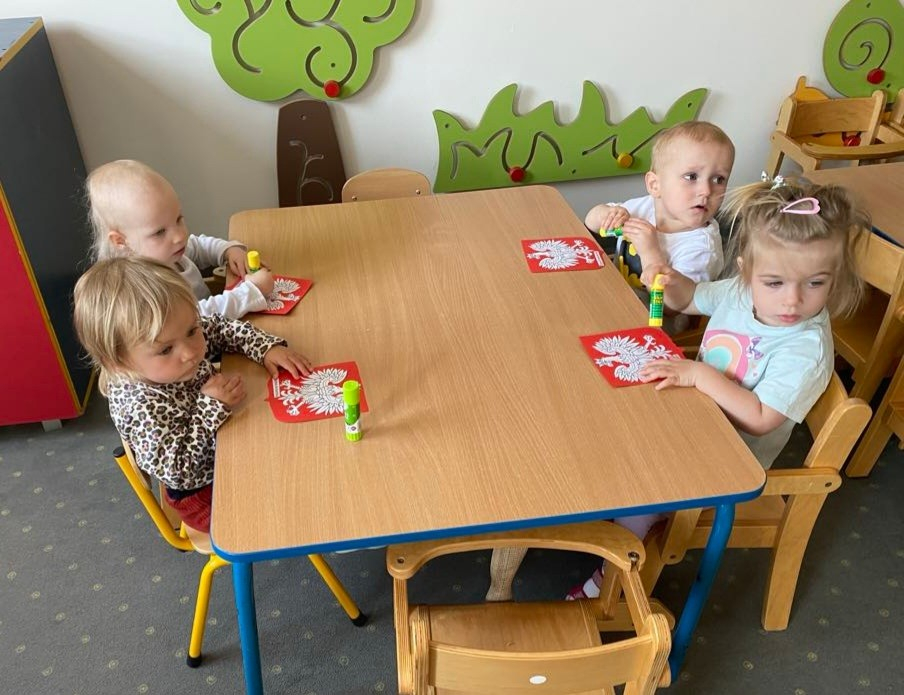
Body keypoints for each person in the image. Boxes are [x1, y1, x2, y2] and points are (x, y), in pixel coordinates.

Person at [562, 175, 867, 600]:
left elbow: (760, 419)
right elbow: (688, 299)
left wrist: (700, 376)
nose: (792, 300)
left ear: (836, 277)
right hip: (693, 419)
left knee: (647, 484)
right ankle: (609, 509)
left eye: (815, 283)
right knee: (604, 412)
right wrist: (668, 277)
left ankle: (609, 584)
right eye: (774, 283)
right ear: (746, 271)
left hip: (727, 461)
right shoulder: (741, 294)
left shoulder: (805, 348)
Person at [72, 256, 313, 532]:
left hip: (228, 445)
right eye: (165, 350)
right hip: (204, 493)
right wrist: (210, 407)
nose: (190, 352)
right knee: (290, 504)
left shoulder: (173, 336)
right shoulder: (140, 405)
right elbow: (178, 471)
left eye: (191, 331)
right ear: (119, 362)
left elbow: (219, 327)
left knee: (297, 447)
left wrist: (265, 348)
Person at [585, 121, 736, 333]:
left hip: (657, 326)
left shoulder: (702, 247)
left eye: (719, 179)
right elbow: (590, 222)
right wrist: (607, 215)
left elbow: (671, 308)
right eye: (691, 177)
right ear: (655, 185)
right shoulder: (645, 206)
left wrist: (651, 253)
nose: (706, 190)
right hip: (615, 295)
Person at [86, 159, 274, 319]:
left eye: (178, 219)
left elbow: (198, 246)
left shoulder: (166, 251)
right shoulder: (145, 289)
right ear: (121, 241)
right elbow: (195, 318)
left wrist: (227, 250)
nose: (179, 236)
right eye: (160, 232)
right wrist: (251, 292)